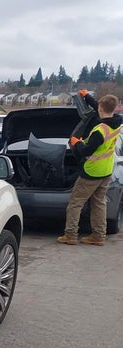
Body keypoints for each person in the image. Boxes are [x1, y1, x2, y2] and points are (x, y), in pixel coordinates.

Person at [57, 91, 121, 246]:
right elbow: (103, 108)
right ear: (115, 108)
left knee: (75, 203)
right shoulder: (117, 123)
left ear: (100, 108)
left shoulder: (100, 131)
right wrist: (87, 98)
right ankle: (99, 236)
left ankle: (70, 235)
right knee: (99, 203)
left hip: (92, 171)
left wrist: (76, 142)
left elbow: (85, 151)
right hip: (106, 171)